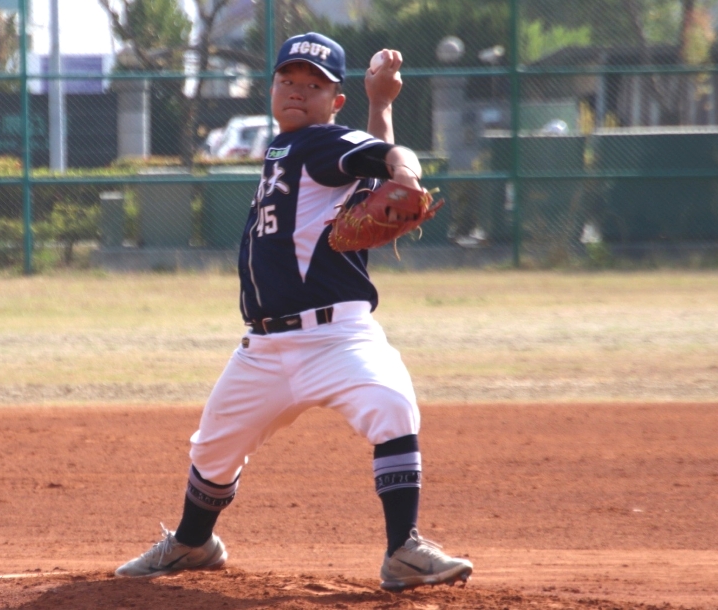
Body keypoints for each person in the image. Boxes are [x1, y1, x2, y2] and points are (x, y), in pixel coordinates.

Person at [114, 32, 473, 592]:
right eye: (288, 80)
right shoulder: (290, 146)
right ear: (272, 87)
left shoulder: (321, 142)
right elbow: (368, 170)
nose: (298, 92)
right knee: (212, 447)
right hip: (264, 348)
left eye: (315, 85)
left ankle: (403, 548)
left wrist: (408, 174)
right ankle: (193, 542)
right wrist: (382, 105)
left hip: (337, 338)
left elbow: (384, 157)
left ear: (335, 101)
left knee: (391, 405)